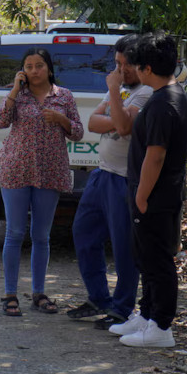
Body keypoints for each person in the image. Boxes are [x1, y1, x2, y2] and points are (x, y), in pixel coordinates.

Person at [110, 31, 187, 348]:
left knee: (157, 262)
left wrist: (141, 196)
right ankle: (146, 316)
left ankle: (161, 327)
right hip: (157, 195)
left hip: (156, 197)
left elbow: (155, 156)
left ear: (145, 69)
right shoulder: (171, 94)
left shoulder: (162, 103)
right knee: (145, 258)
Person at [68, 34, 152, 329]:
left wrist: (114, 96)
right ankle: (98, 298)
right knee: (83, 234)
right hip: (101, 174)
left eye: (125, 65)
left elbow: (125, 126)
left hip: (124, 180)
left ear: (142, 66)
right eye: (116, 64)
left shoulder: (143, 93)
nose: (118, 71)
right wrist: (116, 113)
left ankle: (121, 307)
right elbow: (94, 122)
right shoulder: (122, 89)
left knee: (123, 246)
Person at [0, 48, 84, 316]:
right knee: (15, 233)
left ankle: (39, 293)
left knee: (41, 236)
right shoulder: (17, 96)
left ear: (49, 68)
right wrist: (13, 90)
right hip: (16, 170)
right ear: (22, 71)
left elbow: (78, 132)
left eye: (39, 65)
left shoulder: (63, 96)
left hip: (50, 171)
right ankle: (10, 294)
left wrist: (61, 119)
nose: (34, 71)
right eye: (29, 66)